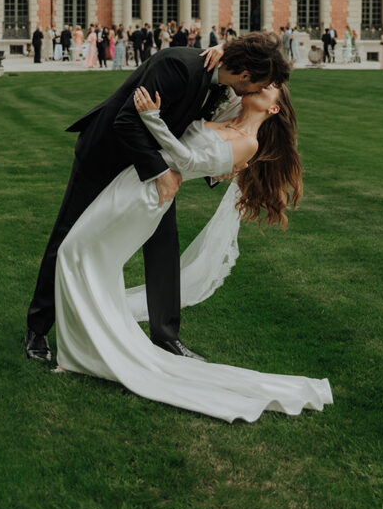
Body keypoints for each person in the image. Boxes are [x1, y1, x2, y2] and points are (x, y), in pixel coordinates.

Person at [52, 82, 332, 422]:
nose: (264, 85)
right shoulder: (229, 111)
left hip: (148, 195)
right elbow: (228, 75)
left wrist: (152, 118)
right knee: (84, 257)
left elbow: (186, 159)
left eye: (272, 88)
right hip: (136, 178)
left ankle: (79, 355)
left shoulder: (248, 143)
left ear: (274, 108)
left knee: (74, 252)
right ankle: (82, 351)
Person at [24, 33, 291, 364]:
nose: (255, 92)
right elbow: (126, 121)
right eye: (258, 84)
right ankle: (37, 329)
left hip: (155, 169)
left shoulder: (224, 81)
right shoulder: (176, 66)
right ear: (245, 76)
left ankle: (166, 337)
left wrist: (214, 168)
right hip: (105, 155)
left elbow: (199, 134)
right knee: (68, 233)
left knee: (164, 245)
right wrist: (161, 173)